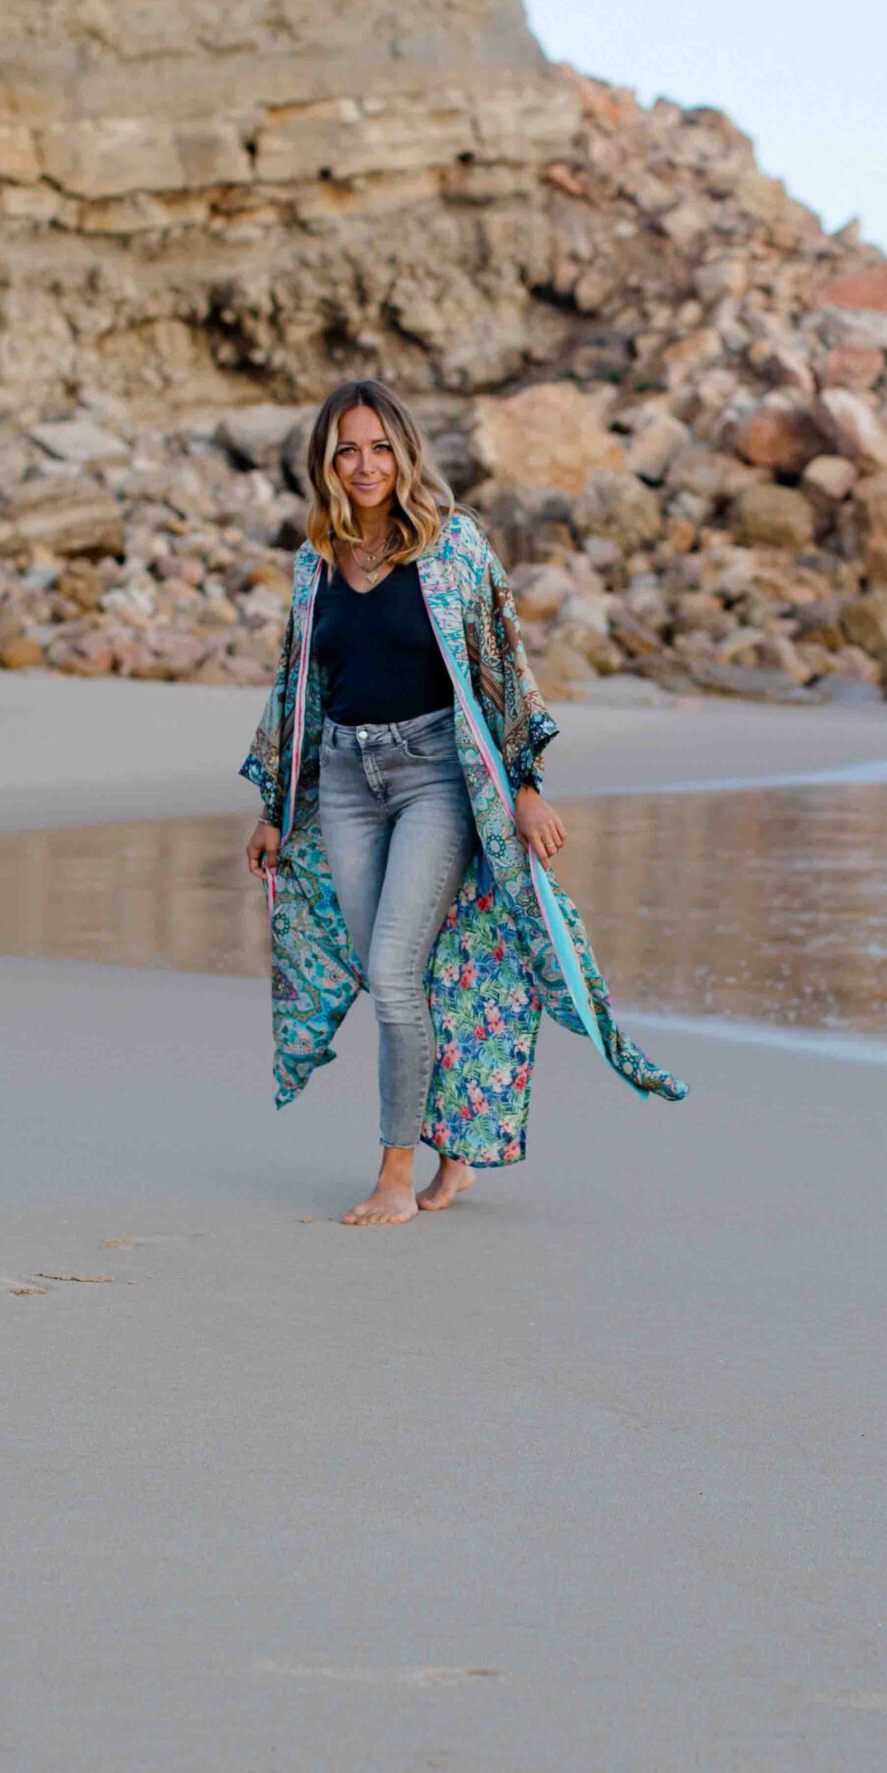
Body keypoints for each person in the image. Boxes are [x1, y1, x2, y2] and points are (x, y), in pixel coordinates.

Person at [241, 377, 686, 1227]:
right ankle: (455, 1156)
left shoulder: (453, 549)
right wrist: (274, 803)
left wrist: (523, 787)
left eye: (378, 447)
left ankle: (393, 1176)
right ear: (324, 463)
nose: (364, 464)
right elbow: (297, 686)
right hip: (342, 779)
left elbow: (500, 666)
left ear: (404, 453)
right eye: (346, 449)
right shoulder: (313, 562)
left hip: (433, 778)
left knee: (397, 972)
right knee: (395, 976)